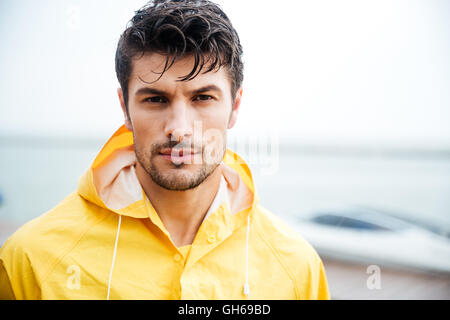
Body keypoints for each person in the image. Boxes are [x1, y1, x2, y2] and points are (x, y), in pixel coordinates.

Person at [0, 0, 330, 299]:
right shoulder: (29, 260)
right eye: (156, 99)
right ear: (125, 108)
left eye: (203, 98)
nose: (180, 128)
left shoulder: (295, 267)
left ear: (235, 106)